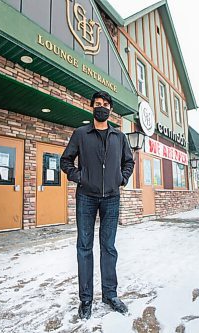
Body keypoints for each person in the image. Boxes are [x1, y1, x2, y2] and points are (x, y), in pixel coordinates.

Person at [60, 91, 135, 320]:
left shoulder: (119, 137)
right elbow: (65, 161)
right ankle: (85, 299)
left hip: (112, 197)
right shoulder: (81, 134)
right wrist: (79, 176)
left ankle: (110, 295)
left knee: (109, 247)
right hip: (86, 197)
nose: (101, 107)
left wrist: (121, 178)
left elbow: (129, 161)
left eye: (105, 105)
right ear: (91, 107)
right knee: (84, 247)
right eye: (97, 104)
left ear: (110, 109)